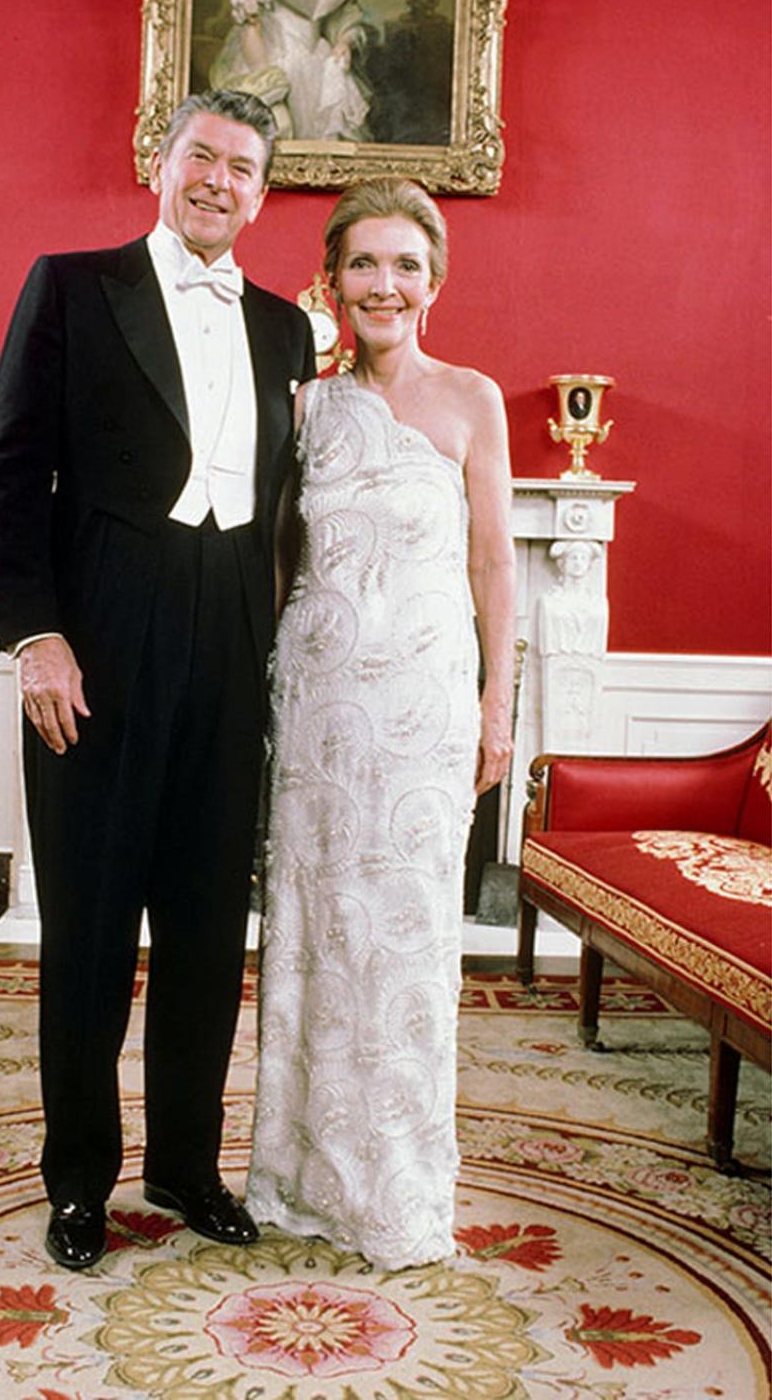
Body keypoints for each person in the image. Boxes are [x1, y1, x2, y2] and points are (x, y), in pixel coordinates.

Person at [0, 89, 315, 1270]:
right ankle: (78, 1180)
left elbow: (286, 513)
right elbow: (13, 469)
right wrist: (37, 634)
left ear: (264, 193)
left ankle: (185, 1163)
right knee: (87, 921)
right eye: (203, 157)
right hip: (102, 633)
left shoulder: (286, 329)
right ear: (158, 165)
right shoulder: (71, 286)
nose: (221, 181)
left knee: (208, 924)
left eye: (244, 168)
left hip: (231, 634)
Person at [246, 177, 515, 1270]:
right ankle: (299, 1179)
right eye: (365, 264)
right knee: (313, 938)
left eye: (406, 264)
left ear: (434, 280)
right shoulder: (305, 407)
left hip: (423, 718)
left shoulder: (473, 400)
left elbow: (495, 563)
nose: (385, 285)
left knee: (404, 948)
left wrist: (502, 704)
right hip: (315, 715)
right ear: (333, 278)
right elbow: (274, 563)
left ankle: (397, 1193)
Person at [209, 0, 370, 141]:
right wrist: (265, 77)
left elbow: (345, 16)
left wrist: (344, 41)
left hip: (319, 60)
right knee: (276, 126)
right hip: (274, 55)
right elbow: (250, 24)